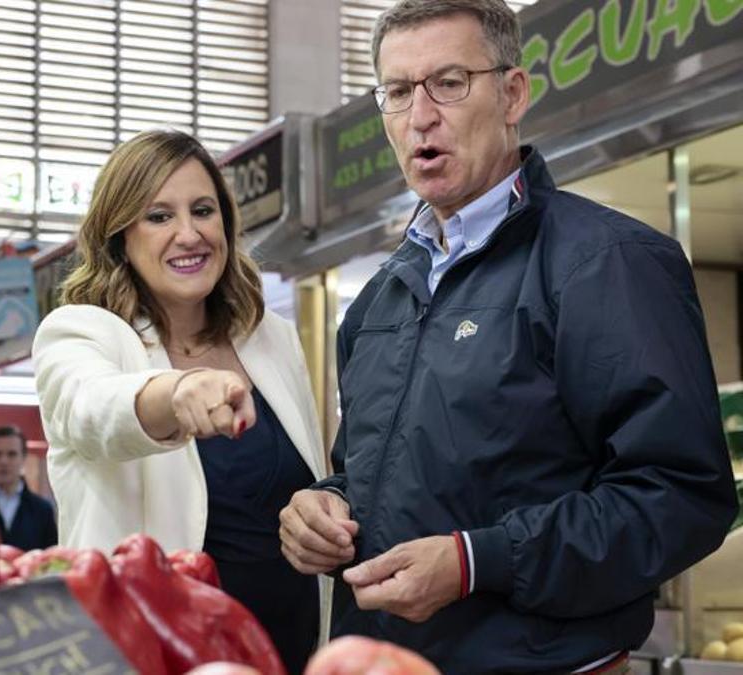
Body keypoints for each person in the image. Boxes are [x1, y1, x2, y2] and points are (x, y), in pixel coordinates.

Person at [277, 1, 739, 673]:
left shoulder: (606, 263)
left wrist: (477, 561)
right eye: (398, 92)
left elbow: (682, 495)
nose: (420, 116)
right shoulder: (379, 299)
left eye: (450, 82)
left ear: (513, 93)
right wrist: (326, 506)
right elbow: (379, 474)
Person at [32, 129, 331, 673]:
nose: (189, 234)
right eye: (159, 216)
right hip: (153, 656)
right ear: (120, 235)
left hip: (291, 655)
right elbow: (89, 409)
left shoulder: (272, 338)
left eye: (202, 210)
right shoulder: (78, 333)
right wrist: (178, 391)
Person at [0, 426, 57, 551]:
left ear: (23, 458)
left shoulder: (43, 510)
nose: (4, 461)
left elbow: (50, 559)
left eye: (11, 454)